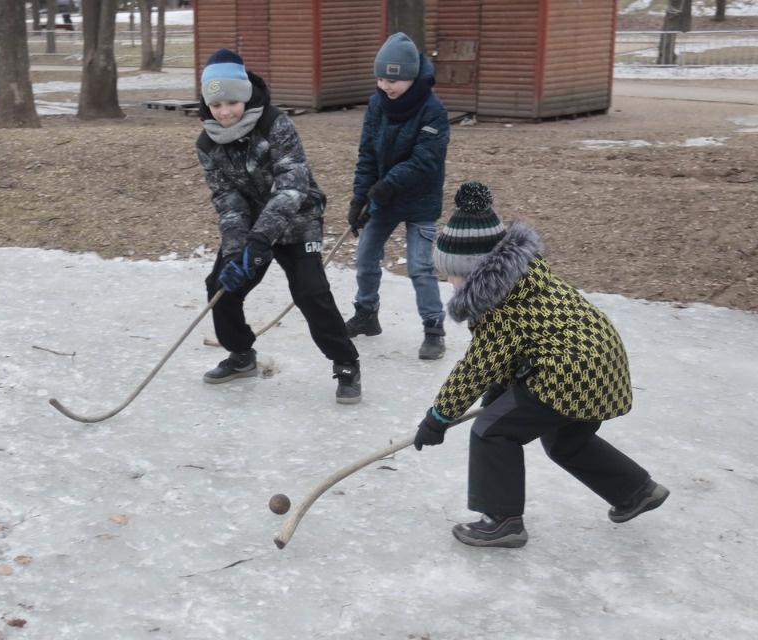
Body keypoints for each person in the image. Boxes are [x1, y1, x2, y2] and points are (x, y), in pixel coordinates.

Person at [413, 181, 670, 548]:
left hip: (568, 372)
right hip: (600, 361)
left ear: (473, 271)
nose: (448, 282)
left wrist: (438, 418)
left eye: (451, 274)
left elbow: (478, 366)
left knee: (492, 432)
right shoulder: (524, 280)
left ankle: (502, 521)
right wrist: (500, 392)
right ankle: (635, 490)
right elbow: (514, 350)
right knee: (567, 440)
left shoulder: (501, 305)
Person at [195, 49, 363, 404]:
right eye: (216, 105)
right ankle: (241, 355)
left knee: (309, 292)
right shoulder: (207, 143)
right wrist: (235, 250)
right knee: (221, 286)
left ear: (244, 95)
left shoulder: (275, 124)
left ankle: (346, 363)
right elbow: (227, 200)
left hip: (298, 218)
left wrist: (262, 236)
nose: (225, 112)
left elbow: (292, 184)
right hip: (251, 227)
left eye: (231, 102)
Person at [345, 32, 451, 360]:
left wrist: (388, 185)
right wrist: (359, 198)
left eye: (393, 80)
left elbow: (426, 160)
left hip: (419, 201)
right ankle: (367, 314)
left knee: (420, 267)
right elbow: (367, 154)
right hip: (383, 199)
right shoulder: (377, 104)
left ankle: (433, 328)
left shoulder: (433, 110)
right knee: (364, 257)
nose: (385, 86)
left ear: (411, 77)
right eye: (380, 78)